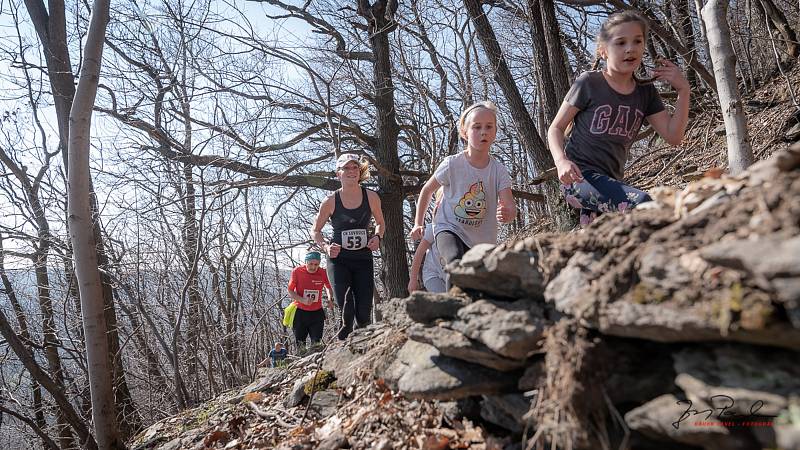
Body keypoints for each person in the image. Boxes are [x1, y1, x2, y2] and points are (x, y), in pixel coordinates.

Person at [547, 10, 690, 226]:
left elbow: (674, 136)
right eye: (621, 43)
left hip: (612, 182)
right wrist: (561, 162)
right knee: (643, 203)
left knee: (601, 242)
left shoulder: (645, 92)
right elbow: (556, 128)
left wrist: (683, 91)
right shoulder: (589, 84)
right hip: (577, 178)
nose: (630, 48)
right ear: (603, 51)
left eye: (637, 41)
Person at [410, 101, 516, 289]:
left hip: (481, 239)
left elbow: (509, 205)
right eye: (477, 127)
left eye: (488, 127)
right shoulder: (452, 164)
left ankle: (468, 312)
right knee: (454, 263)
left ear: (494, 132)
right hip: (449, 228)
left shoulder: (498, 170)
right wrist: (418, 223)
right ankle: (454, 310)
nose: (483, 131)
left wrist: (508, 213)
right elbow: (427, 190)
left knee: (476, 283)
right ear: (464, 132)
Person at [311, 153, 385, 340]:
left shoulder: (372, 197)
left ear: (360, 172)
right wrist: (326, 247)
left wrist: (377, 236)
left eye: (355, 168)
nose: (351, 171)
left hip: (363, 258)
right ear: (338, 174)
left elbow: (380, 223)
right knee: (346, 307)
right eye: (346, 168)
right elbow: (316, 231)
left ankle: (362, 346)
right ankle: (344, 343)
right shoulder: (330, 201)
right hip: (339, 260)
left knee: (363, 313)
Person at [287, 251, 334, 350]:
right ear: (306, 262)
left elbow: (328, 287)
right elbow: (290, 290)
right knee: (300, 344)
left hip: (317, 313)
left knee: (317, 343)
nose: (313, 267)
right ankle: (301, 363)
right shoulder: (297, 271)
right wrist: (302, 300)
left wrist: (330, 298)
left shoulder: (322, 272)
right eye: (310, 264)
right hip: (300, 312)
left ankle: (316, 363)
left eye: (316, 264)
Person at [407, 188, 446, 293]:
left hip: (450, 276)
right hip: (433, 275)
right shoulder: (433, 228)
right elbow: (419, 253)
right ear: (438, 205)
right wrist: (413, 279)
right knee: (443, 299)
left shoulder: (461, 229)